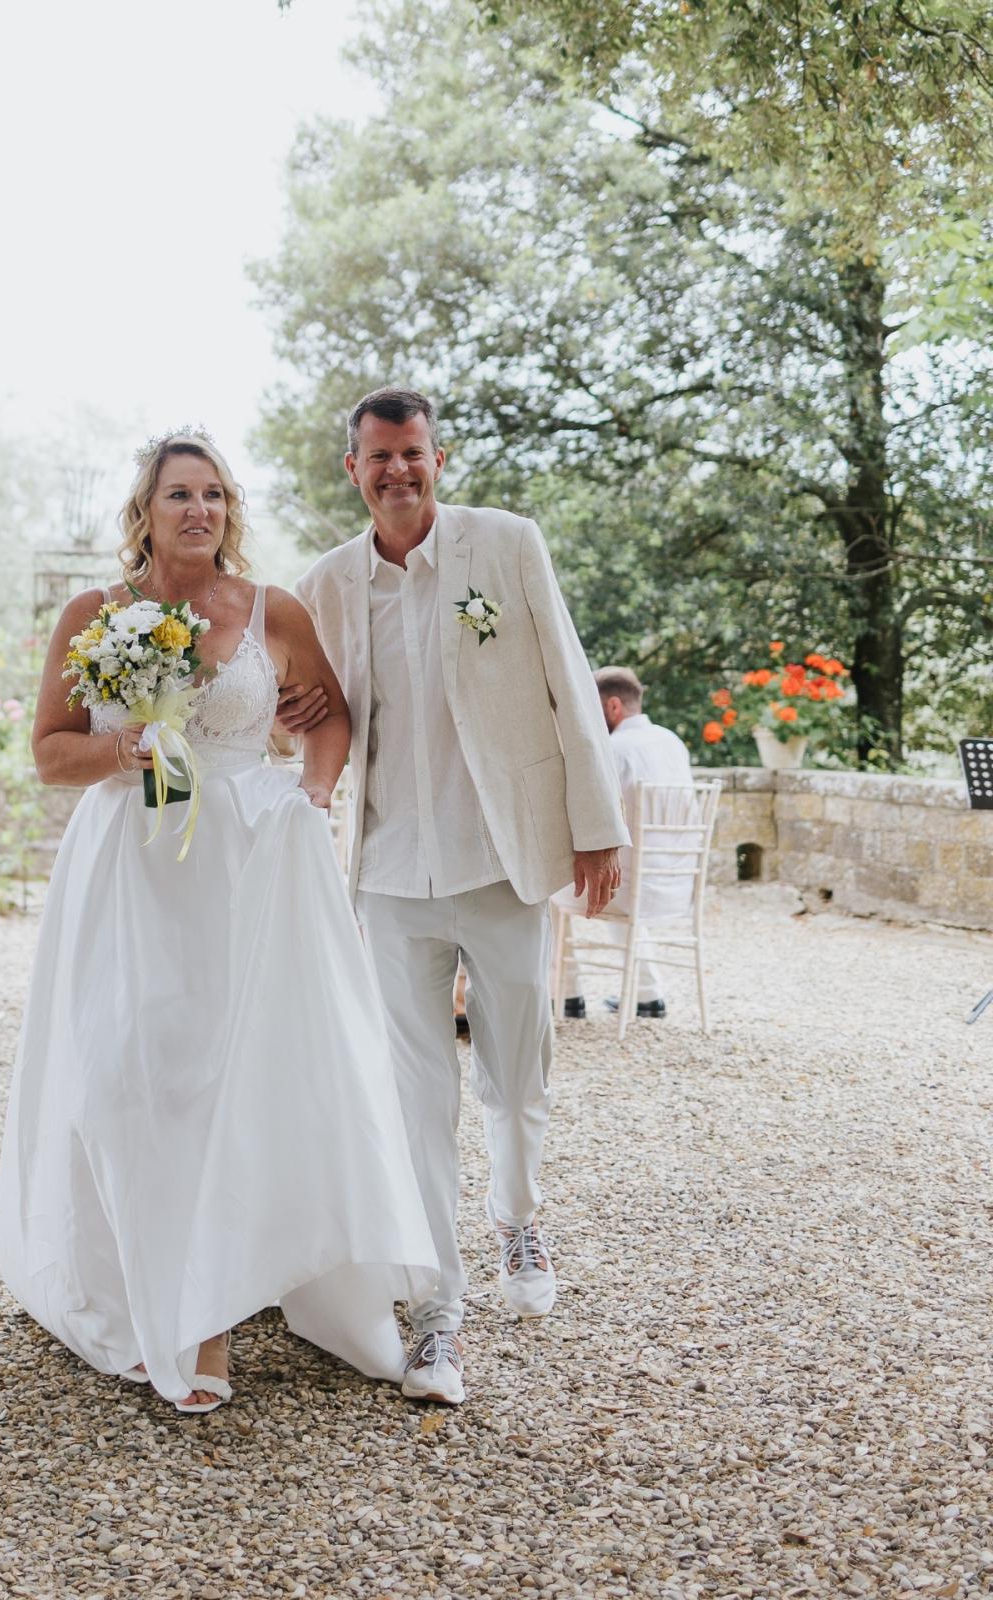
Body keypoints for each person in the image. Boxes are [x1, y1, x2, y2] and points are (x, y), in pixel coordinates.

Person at [0, 432, 438, 1415]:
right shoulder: (94, 615)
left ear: (228, 510)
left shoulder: (271, 610)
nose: (198, 509)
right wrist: (124, 749)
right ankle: (145, 1282)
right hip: (133, 869)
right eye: (178, 495)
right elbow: (47, 753)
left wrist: (310, 798)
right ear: (145, 512)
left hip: (248, 860)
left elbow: (325, 718)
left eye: (213, 494)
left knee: (238, 1074)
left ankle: (212, 1318)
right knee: (132, 1074)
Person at [284, 386, 628, 1403]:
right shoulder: (324, 586)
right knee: (413, 1099)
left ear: (441, 459)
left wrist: (594, 826)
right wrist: (292, 715)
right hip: (388, 875)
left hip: (501, 858)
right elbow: (306, 714)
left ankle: (517, 1213)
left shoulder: (506, 546)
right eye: (378, 457)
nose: (397, 471)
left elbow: (569, 678)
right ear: (351, 470)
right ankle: (439, 1311)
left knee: (516, 1076)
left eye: (413, 453)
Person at [554, 665, 696, 1020]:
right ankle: (648, 994)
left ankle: (565, 995)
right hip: (675, 883)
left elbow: (590, 820)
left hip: (630, 887)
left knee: (545, 887)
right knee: (618, 875)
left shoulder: (612, 751)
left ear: (613, 706)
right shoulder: (672, 742)